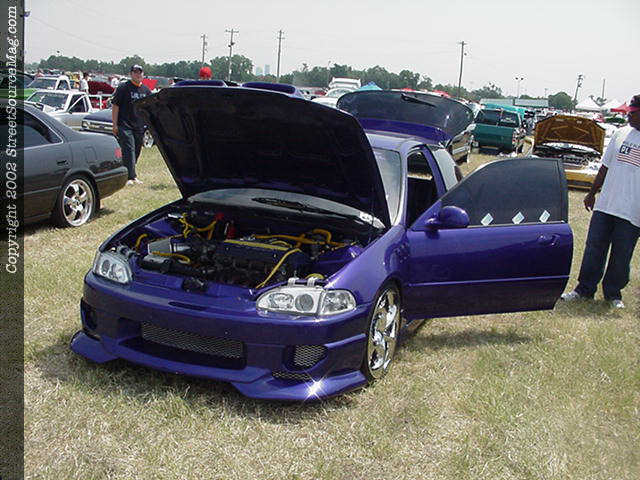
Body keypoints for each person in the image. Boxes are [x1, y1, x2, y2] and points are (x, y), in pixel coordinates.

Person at [561, 94, 640, 309]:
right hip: (606, 205)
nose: (628, 117)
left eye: (633, 113)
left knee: (621, 255)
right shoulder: (620, 134)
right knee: (594, 248)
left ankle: (613, 294)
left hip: (632, 211)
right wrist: (592, 193)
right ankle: (584, 290)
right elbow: (605, 167)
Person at [111, 65, 152, 185]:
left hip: (139, 126)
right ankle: (131, 177)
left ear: (143, 74)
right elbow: (115, 106)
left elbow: (149, 109)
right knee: (129, 149)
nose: (138, 74)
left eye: (140, 72)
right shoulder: (123, 88)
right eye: (135, 72)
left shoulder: (146, 90)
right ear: (131, 74)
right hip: (124, 125)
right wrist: (114, 124)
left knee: (137, 150)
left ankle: (128, 172)